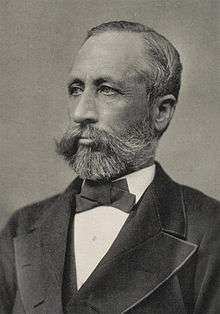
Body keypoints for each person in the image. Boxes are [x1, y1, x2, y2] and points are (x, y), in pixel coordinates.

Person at [0, 21, 219, 314]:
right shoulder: (23, 226)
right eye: (76, 89)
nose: (81, 113)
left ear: (161, 111)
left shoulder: (210, 230)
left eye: (107, 90)